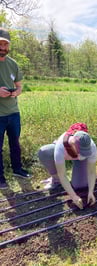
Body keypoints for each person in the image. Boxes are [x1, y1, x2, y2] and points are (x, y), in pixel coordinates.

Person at [38, 125, 97, 209]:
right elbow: (62, 175)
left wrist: (91, 191)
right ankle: (55, 179)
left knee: (79, 186)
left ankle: (81, 176)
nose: (82, 153)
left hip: (78, 159)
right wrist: (74, 197)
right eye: (81, 151)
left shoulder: (92, 146)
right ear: (73, 144)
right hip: (66, 152)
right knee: (45, 152)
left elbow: (91, 171)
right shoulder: (60, 147)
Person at [0, 28, 31, 189]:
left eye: (5, 44)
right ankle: (0, 178)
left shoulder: (13, 64)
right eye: (0, 43)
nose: (3, 47)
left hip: (13, 112)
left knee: (15, 143)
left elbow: (19, 86)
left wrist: (16, 92)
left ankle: (17, 170)